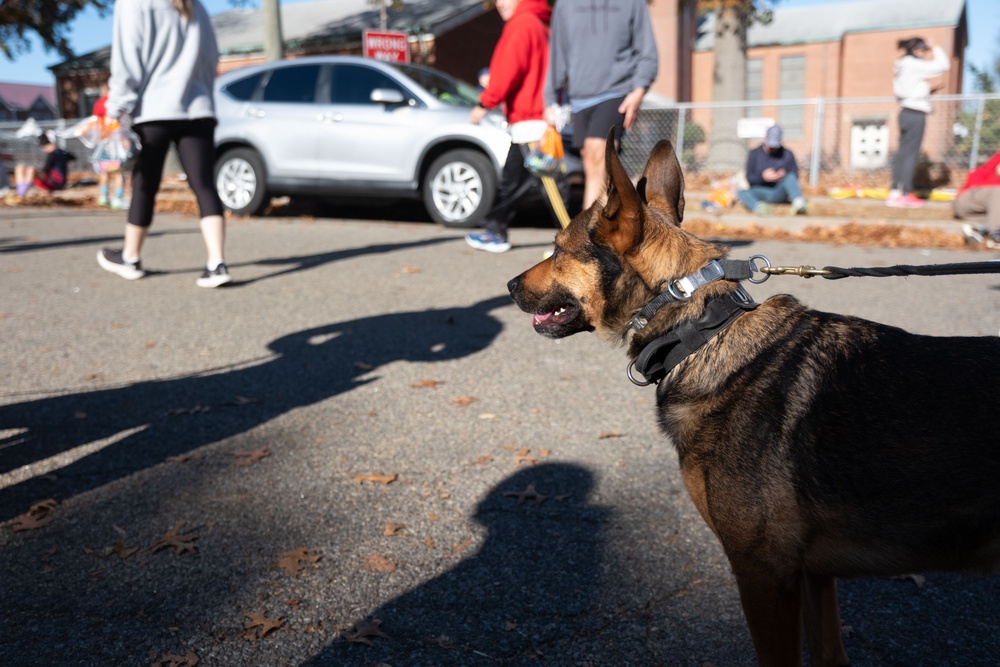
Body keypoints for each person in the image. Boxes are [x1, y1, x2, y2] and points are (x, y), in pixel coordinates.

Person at [97, 0, 231, 288]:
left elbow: (127, 58)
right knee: (204, 184)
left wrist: (115, 108)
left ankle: (131, 258)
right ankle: (216, 263)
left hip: (154, 109)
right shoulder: (195, 5)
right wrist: (200, 91)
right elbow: (211, 56)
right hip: (197, 108)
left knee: (145, 184)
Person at [544, 0, 658, 210]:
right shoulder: (565, 4)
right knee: (591, 165)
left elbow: (647, 52)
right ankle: (611, 227)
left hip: (616, 93)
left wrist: (639, 91)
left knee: (599, 160)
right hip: (578, 97)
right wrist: (550, 98)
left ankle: (587, 237)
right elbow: (557, 53)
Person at [465, 0, 553, 253]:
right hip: (532, 118)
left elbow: (508, 70)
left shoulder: (522, 24)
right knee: (518, 180)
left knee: (548, 186)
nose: (499, 4)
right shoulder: (539, 23)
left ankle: (579, 244)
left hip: (530, 119)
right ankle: (496, 230)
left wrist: (484, 103)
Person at [887, 36, 950, 209]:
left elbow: (908, 89)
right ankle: (905, 193)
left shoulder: (902, 65)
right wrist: (935, 47)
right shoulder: (912, 64)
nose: (925, 54)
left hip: (906, 112)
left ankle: (895, 192)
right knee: (910, 154)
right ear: (915, 50)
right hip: (915, 114)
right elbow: (943, 66)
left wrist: (927, 92)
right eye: (923, 50)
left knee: (903, 153)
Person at [737, 125, 807, 216]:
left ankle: (799, 203)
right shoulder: (754, 154)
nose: (773, 148)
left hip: (779, 191)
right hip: (760, 190)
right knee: (742, 192)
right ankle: (759, 208)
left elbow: (794, 176)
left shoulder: (787, 154)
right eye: (770, 145)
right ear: (765, 138)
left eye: (775, 146)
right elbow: (750, 178)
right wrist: (762, 177)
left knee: (790, 177)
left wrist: (783, 175)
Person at [7, 133, 74, 204]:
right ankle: (20, 193)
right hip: (52, 181)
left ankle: (20, 195)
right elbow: (73, 157)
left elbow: (45, 170)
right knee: (20, 167)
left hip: (55, 182)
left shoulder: (53, 154)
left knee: (30, 169)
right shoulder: (61, 153)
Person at [92, 83, 129, 210]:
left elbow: (95, 121)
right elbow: (123, 123)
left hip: (104, 141)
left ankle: (103, 196)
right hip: (117, 141)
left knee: (104, 171)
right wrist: (125, 140)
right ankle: (117, 199)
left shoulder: (99, 103)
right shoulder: (117, 102)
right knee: (119, 172)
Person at [956, 148, 1000, 249]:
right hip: (967, 200)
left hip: (983, 213)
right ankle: (996, 236)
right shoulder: (991, 169)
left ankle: (977, 230)